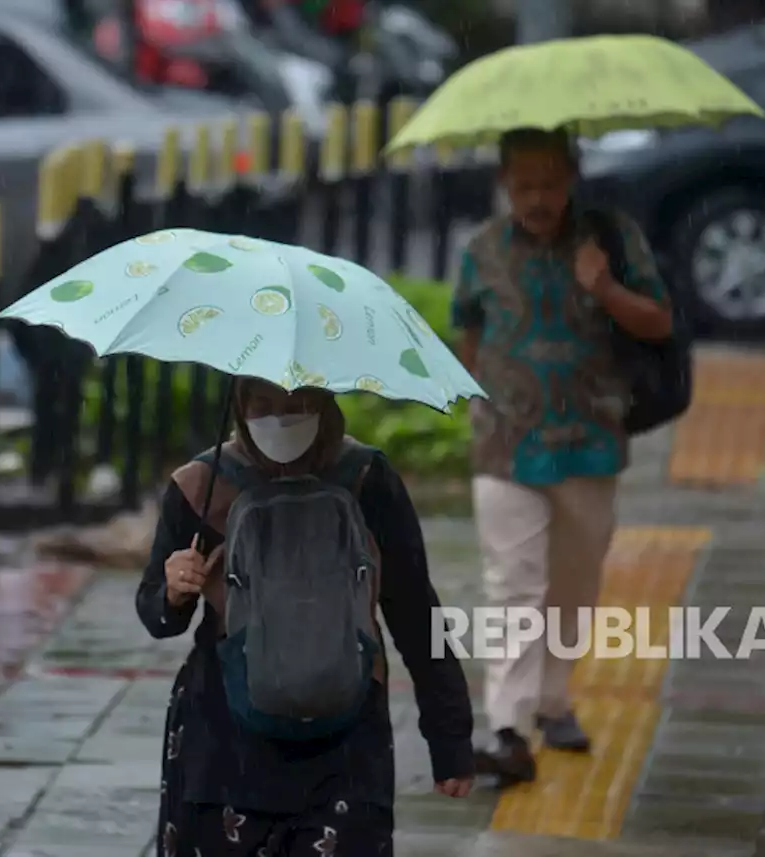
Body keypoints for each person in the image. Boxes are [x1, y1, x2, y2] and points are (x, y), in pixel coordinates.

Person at [137, 377, 475, 856]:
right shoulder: (200, 487)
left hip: (345, 744)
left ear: (325, 404)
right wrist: (174, 589)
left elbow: (416, 609)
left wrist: (450, 738)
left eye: (299, 403)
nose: (281, 417)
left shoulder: (366, 478)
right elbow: (158, 616)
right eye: (264, 404)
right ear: (240, 406)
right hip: (225, 742)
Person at [452, 127, 674, 786]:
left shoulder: (611, 238)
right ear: (504, 185)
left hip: (589, 441)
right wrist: (476, 399)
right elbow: (467, 329)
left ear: (573, 177)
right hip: (505, 442)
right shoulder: (482, 250)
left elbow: (660, 321)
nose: (538, 197)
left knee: (573, 587)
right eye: (524, 185)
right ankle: (507, 726)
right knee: (511, 585)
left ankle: (554, 700)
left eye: (550, 183)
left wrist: (605, 287)